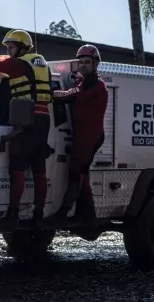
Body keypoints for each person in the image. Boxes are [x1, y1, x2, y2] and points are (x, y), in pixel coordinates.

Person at [0, 29, 52, 230]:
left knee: (17, 167)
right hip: (44, 119)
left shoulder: (17, 63)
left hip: (26, 120)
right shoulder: (42, 64)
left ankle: (13, 214)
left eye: (10, 47)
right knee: (39, 168)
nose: (8, 51)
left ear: (21, 47)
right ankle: (39, 215)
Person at [50, 44, 108, 228]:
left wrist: (47, 94)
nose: (83, 65)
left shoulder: (97, 85)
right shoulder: (83, 82)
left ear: (95, 64)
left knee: (76, 174)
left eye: (87, 62)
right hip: (82, 134)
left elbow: (67, 96)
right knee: (82, 175)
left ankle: (62, 214)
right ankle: (89, 218)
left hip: (90, 136)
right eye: (81, 62)